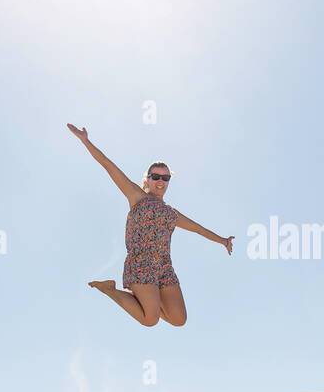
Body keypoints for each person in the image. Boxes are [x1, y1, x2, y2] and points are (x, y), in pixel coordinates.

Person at [67, 124, 233, 327]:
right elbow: (109, 166)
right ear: (148, 179)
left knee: (179, 319)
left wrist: (223, 241)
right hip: (141, 263)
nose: (160, 181)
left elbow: (198, 228)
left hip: (164, 267)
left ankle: (147, 301)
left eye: (165, 177)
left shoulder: (171, 214)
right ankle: (109, 289)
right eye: (155, 176)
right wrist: (86, 141)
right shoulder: (137, 196)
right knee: (150, 319)